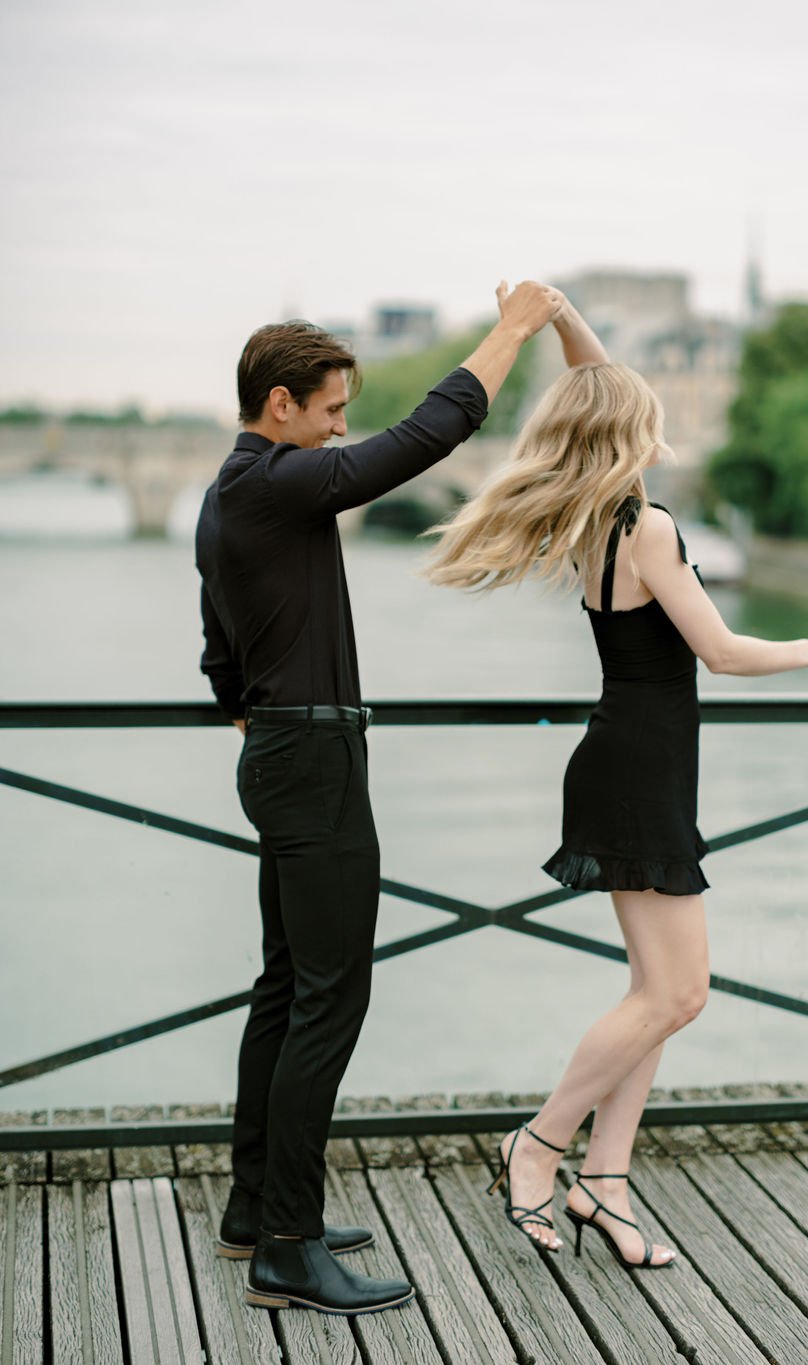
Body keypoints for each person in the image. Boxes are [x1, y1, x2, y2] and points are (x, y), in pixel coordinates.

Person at [425, 295, 808, 1270]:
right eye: (646, 410)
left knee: (660, 990)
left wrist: (565, 319)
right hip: (639, 771)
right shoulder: (649, 526)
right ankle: (538, 1145)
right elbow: (718, 652)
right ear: (631, 429)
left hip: (636, 762)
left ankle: (607, 1182)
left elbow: (596, 385)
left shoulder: (598, 515)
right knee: (677, 994)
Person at [195, 281, 561, 1317]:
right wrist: (512, 331)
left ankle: (255, 1207)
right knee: (329, 998)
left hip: (284, 753)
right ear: (280, 405)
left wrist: (245, 703)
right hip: (311, 766)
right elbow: (425, 437)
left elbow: (218, 642)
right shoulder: (280, 482)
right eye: (330, 412)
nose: (341, 430)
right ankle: (287, 1247)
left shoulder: (231, 491)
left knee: (285, 987)